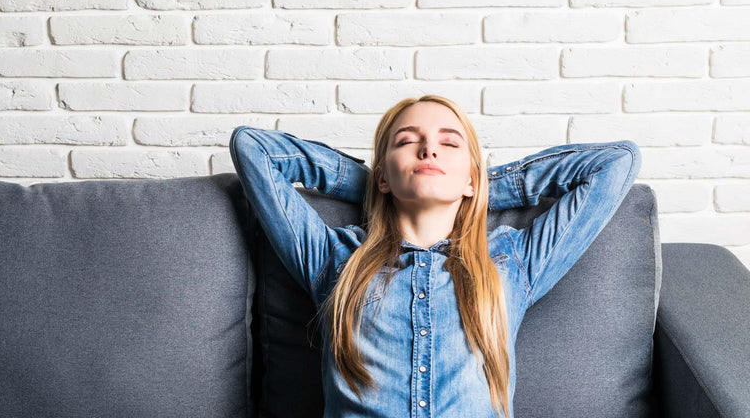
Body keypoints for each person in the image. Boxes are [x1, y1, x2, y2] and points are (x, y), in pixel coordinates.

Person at [228, 94, 641, 418]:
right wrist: (374, 183)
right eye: (407, 142)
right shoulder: (335, 258)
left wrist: (478, 191)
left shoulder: (511, 261)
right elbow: (252, 148)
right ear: (384, 174)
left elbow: (616, 162)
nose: (428, 150)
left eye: (449, 143)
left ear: (472, 178)